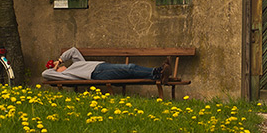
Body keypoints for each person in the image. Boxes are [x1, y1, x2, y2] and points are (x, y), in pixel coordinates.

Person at [42, 46, 172, 82]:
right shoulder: (67, 74)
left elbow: (73, 50)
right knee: (130, 68)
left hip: (101, 68)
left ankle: (158, 74)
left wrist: (59, 60)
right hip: (97, 72)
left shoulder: (76, 65)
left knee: (129, 71)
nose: (60, 66)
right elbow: (45, 74)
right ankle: (158, 71)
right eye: (58, 67)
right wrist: (54, 68)